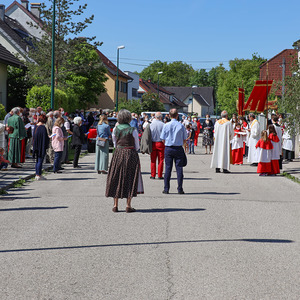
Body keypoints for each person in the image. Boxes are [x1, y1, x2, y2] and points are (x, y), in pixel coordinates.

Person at [106, 109, 144, 213]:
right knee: (130, 177)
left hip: (118, 153)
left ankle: (115, 205)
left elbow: (114, 143)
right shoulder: (133, 130)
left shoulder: (115, 129)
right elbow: (137, 146)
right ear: (128, 118)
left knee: (116, 176)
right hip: (130, 153)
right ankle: (128, 205)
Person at [160, 108, 187, 194]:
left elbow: (162, 138)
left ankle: (166, 188)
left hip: (168, 147)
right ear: (177, 115)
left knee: (168, 168)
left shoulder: (166, 125)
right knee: (179, 169)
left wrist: (167, 143)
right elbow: (184, 138)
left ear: (169, 115)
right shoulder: (181, 125)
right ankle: (180, 189)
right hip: (178, 148)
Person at [32, 115, 49, 180]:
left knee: (37, 160)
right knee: (40, 160)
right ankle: (39, 175)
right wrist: (49, 138)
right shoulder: (43, 127)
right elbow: (44, 138)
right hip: (41, 146)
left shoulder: (36, 126)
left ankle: (37, 174)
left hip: (36, 145)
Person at [149, 112, 165, 179]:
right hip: (160, 143)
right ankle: (160, 175)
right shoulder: (163, 124)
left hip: (153, 143)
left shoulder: (151, 124)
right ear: (161, 117)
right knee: (161, 160)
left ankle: (153, 175)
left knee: (153, 160)